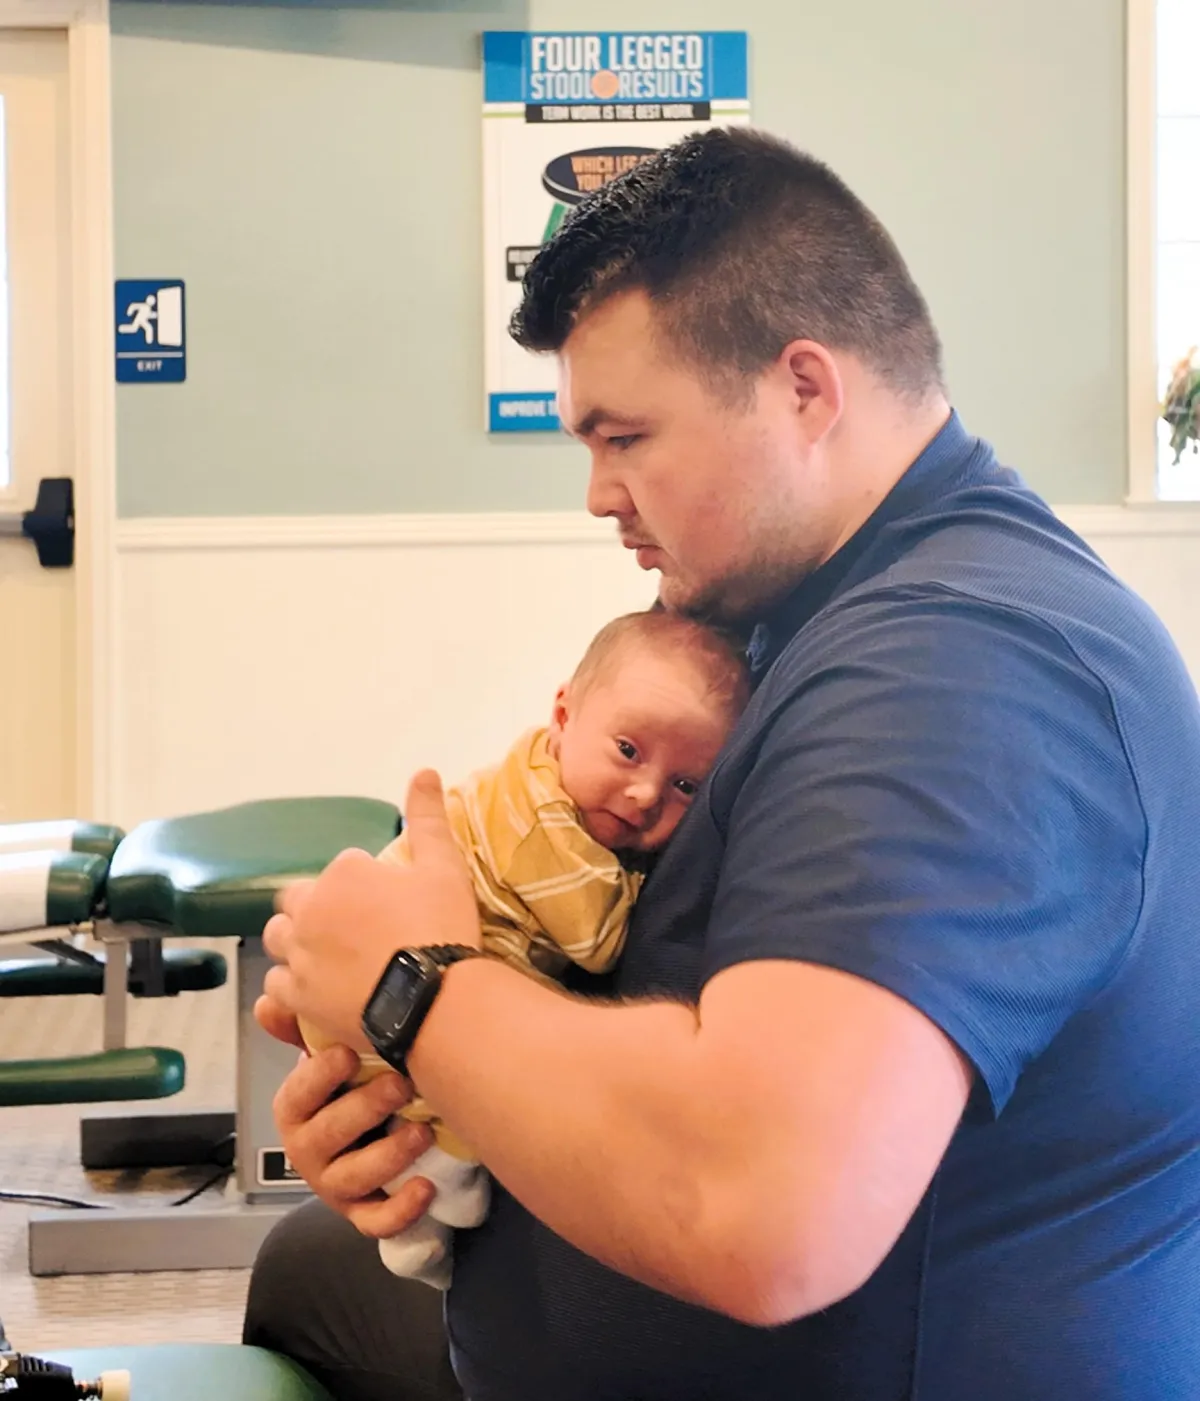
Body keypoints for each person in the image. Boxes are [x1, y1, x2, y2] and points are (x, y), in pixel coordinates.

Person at [245, 126, 1200, 1401]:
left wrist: (415, 986)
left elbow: (770, 1208)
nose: (598, 493)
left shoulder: (959, 668)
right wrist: (411, 1089)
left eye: (625, 437)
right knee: (308, 1263)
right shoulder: (805, 613)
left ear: (804, 389)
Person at [298, 608, 749, 1289]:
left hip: (383, 994)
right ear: (564, 714)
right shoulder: (548, 827)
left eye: (687, 785)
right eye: (627, 750)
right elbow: (596, 944)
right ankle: (426, 1220)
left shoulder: (543, 777)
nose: (645, 793)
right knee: (439, 1135)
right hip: (379, 1001)